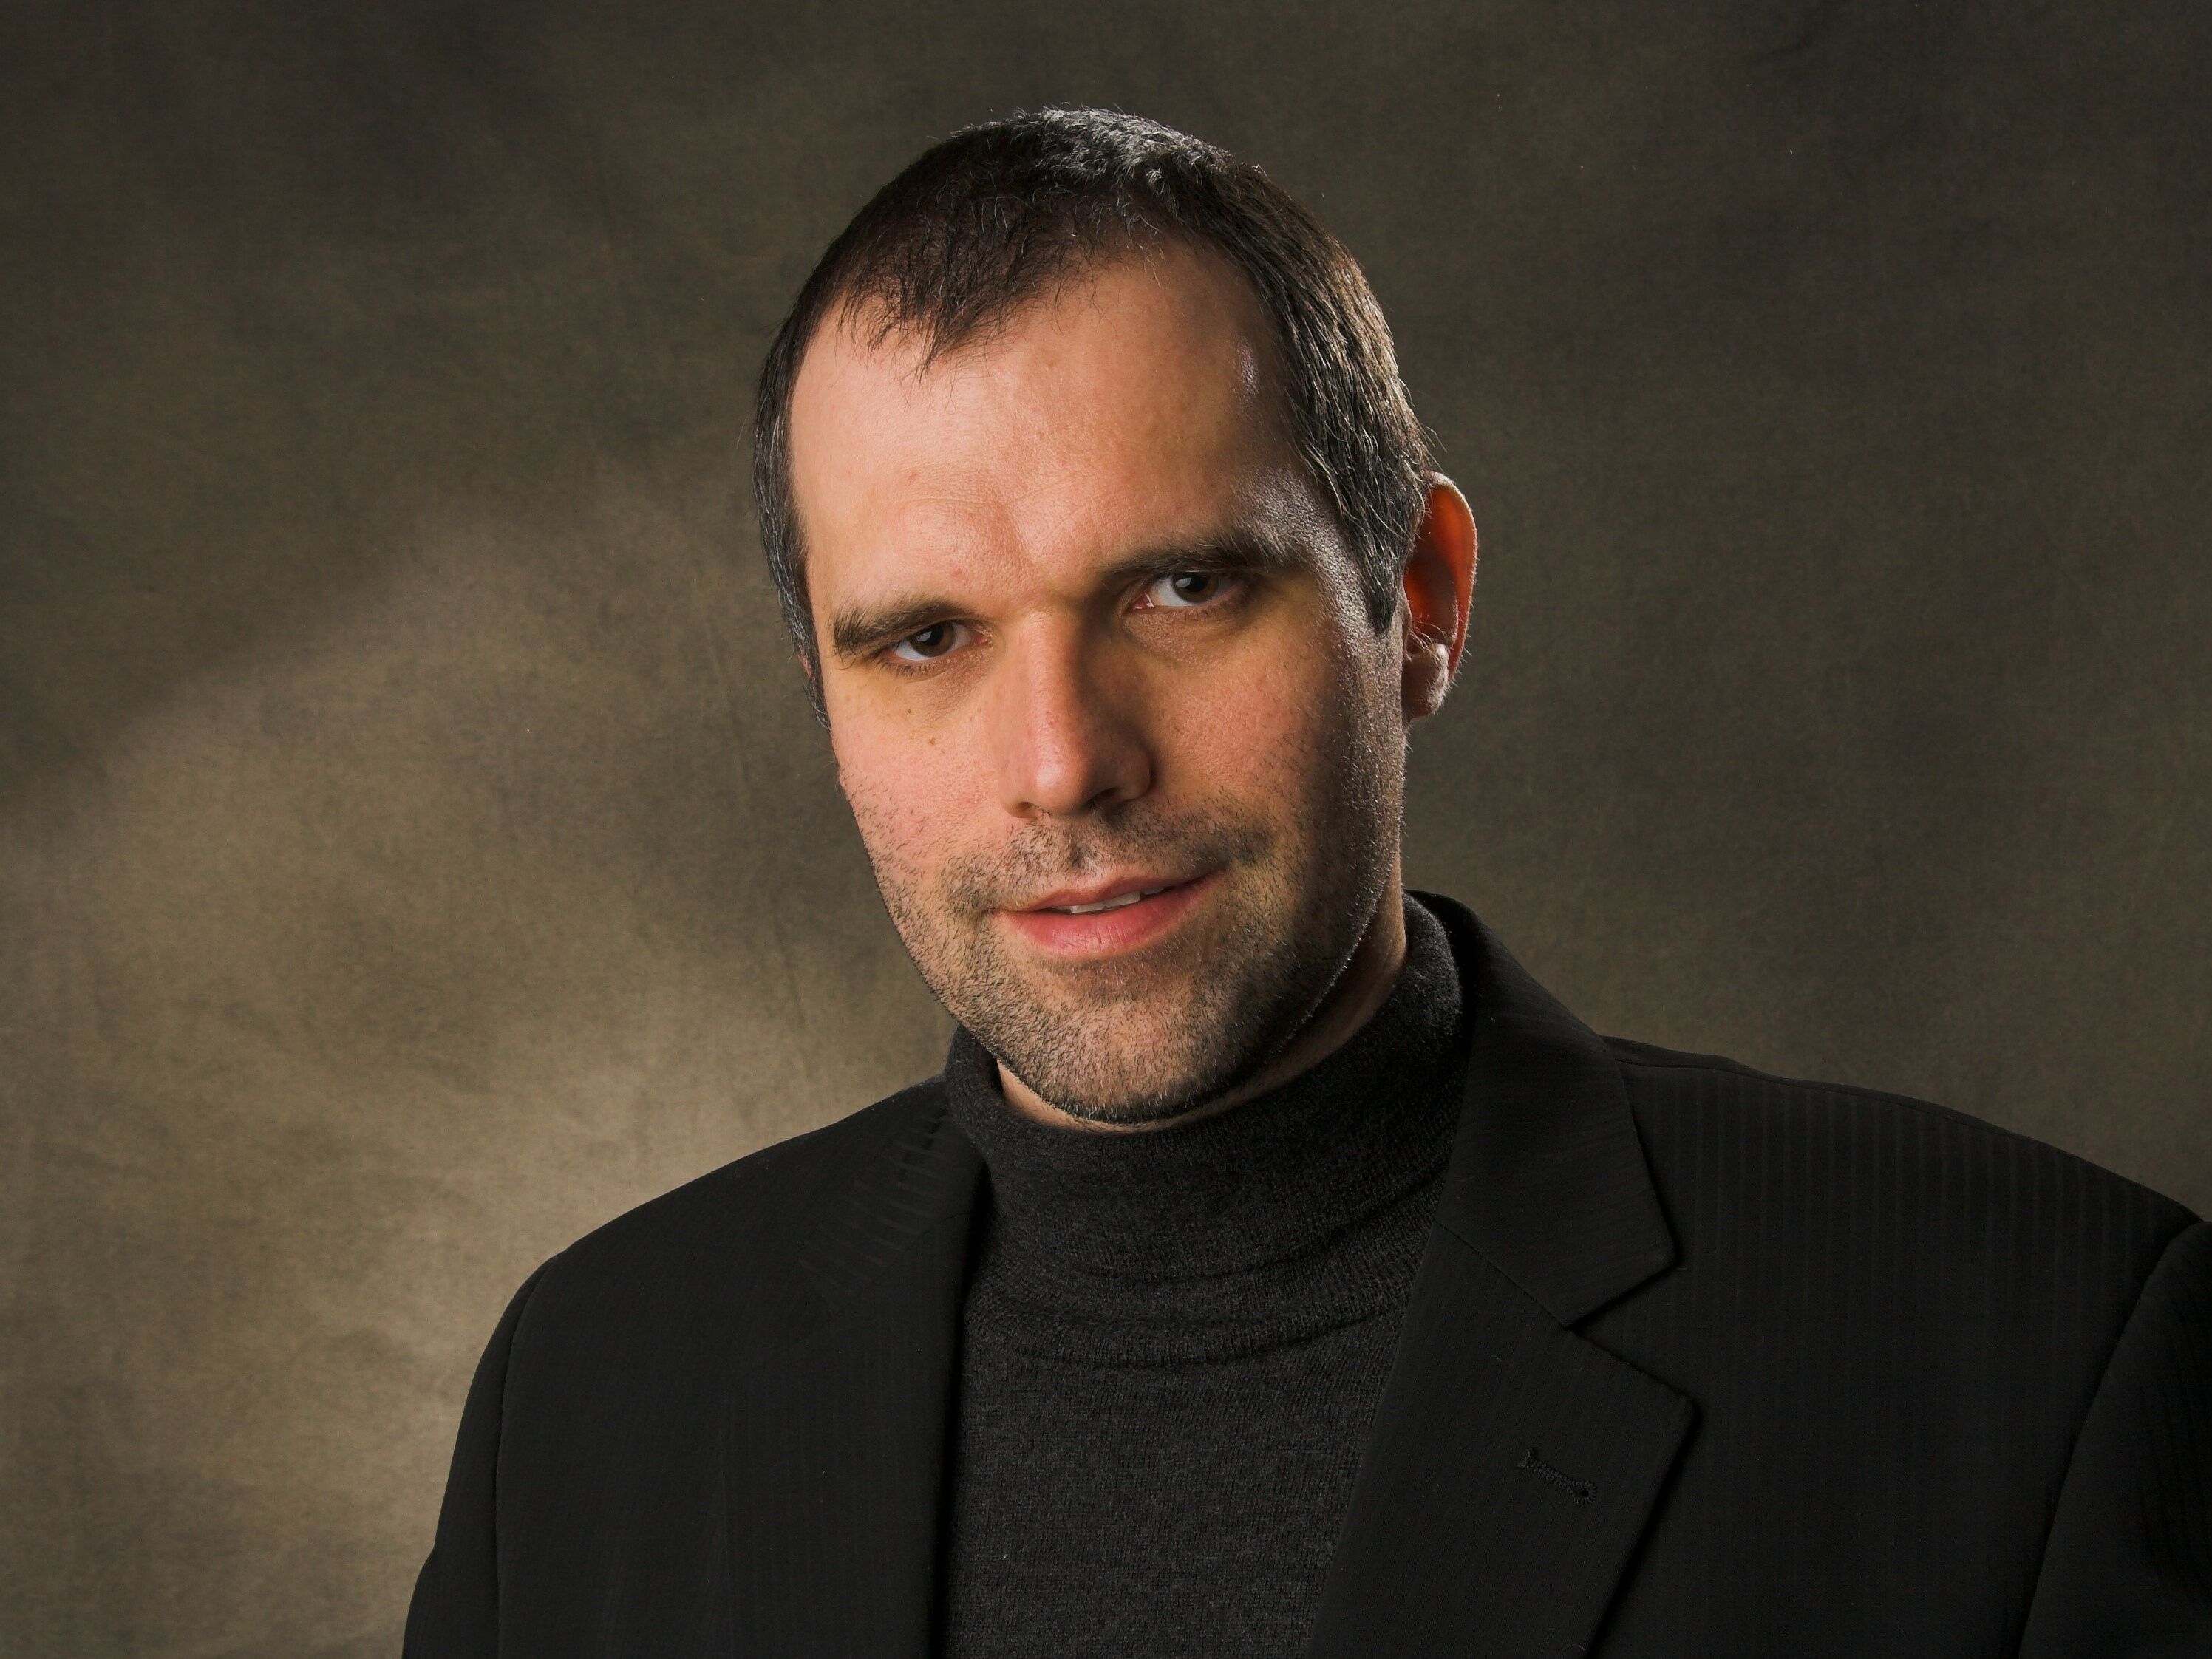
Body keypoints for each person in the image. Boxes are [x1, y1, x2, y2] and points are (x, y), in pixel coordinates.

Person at [403, 109, 2211, 1658]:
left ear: (1419, 599)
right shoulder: (590, 1394)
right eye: (927, 638)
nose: (1063, 761)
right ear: (823, 693)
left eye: (1183, 589)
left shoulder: (2034, 1355)